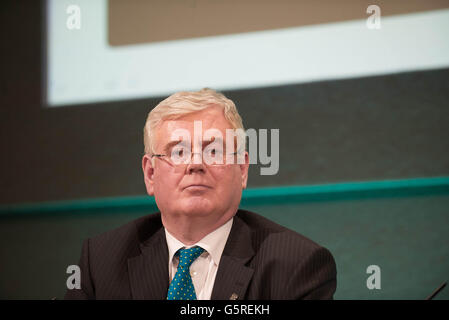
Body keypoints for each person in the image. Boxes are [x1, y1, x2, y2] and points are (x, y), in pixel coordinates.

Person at [64, 88, 336, 300]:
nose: (195, 164)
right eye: (178, 152)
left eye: (214, 151)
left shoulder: (295, 265)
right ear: (150, 174)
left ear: (242, 170)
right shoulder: (103, 260)